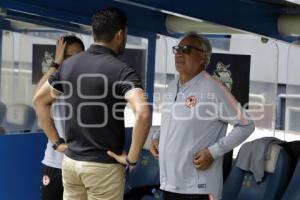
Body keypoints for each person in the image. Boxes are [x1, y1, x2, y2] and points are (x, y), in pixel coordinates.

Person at [33, 7, 151, 200]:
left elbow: (39, 100)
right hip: (103, 167)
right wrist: (132, 158)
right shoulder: (122, 71)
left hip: (71, 163)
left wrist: (57, 142)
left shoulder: (69, 65)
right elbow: (143, 114)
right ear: (121, 34)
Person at [150, 32, 255, 200]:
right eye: (177, 49)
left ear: (203, 57)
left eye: (186, 49)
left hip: (199, 190)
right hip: (169, 184)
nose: (179, 53)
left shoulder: (213, 88)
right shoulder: (171, 87)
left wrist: (213, 152)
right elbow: (172, 123)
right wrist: (157, 137)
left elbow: (247, 124)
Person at [33, 35, 84, 200]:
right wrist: (56, 62)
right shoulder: (57, 81)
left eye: (78, 56)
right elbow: (37, 97)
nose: (74, 60)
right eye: (68, 56)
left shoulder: (89, 82)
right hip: (56, 162)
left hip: (82, 164)